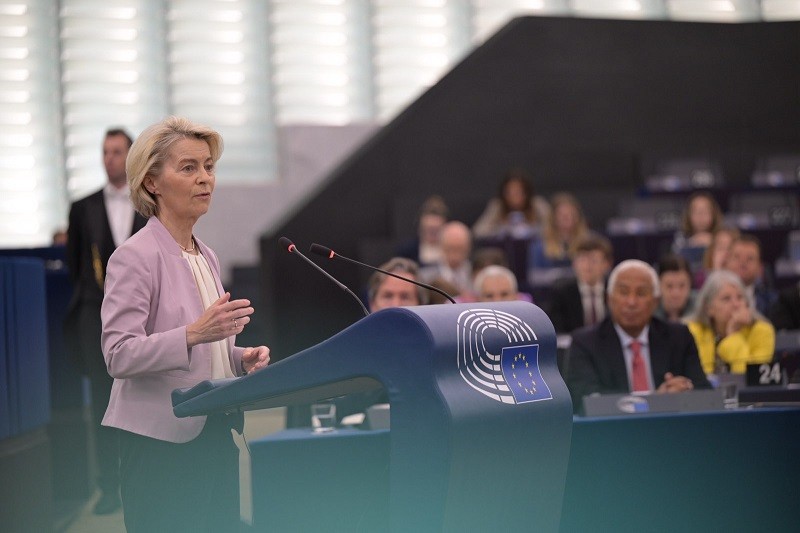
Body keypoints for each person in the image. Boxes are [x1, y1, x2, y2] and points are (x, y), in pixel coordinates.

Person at [100, 116, 270, 532]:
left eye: (209, 166)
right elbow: (118, 354)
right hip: (161, 443)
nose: (204, 178)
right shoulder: (133, 256)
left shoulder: (205, 254)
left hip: (215, 431)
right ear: (152, 182)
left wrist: (238, 357)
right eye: (188, 168)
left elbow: (204, 347)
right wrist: (195, 333)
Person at [63, 128, 147, 515]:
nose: (109, 158)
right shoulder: (82, 208)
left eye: (116, 151)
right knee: (101, 400)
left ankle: (144, 477)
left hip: (144, 316)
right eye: (105, 151)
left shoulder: (149, 201)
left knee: (144, 394)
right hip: (93, 318)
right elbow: (75, 265)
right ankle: (108, 487)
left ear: (130, 157)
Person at [565, 260, 710, 413]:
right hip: (612, 427)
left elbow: (705, 393)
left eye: (641, 293)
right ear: (609, 298)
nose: (631, 302)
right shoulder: (585, 343)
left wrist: (684, 389)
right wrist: (655, 400)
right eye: (623, 292)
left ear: (655, 301)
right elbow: (585, 401)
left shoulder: (679, 337)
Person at [685, 270, 775, 376]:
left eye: (740, 297)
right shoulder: (693, 331)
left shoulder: (762, 331)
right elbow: (699, 376)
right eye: (726, 299)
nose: (736, 304)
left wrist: (733, 335)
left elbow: (751, 378)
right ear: (708, 308)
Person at [546, 235, 613, 334]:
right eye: (582, 260)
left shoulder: (614, 290)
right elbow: (556, 330)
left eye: (593, 260)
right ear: (574, 263)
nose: (587, 266)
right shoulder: (561, 292)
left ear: (607, 264)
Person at [472, 167, 550, 239]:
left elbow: (552, 228)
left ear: (527, 193)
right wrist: (502, 230)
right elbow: (478, 231)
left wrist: (531, 229)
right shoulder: (497, 206)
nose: (514, 197)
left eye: (518, 192)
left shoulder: (537, 204)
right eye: (509, 193)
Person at [530, 192, 593, 268]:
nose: (567, 218)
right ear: (553, 218)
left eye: (571, 214)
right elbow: (535, 273)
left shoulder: (590, 242)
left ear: (578, 217)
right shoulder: (539, 245)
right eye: (562, 215)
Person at [724, 233, 778, 316]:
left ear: (760, 267)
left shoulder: (773, 301)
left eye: (750, 259)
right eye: (737, 257)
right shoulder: (712, 298)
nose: (742, 263)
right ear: (727, 262)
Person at [420, 221, 473, 297]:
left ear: (468, 248)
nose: (455, 255)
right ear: (441, 247)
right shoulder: (426, 278)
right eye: (450, 248)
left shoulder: (475, 276)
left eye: (460, 249)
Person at [396, 195, 449, 267]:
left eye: (436, 230)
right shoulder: (407, 250)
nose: (433, 234)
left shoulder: (452, 250)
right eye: (430, 230)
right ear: (421, 228)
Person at [654, 253, 695, 322]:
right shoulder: (649, 313)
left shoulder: (701, 310)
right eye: (669, 286)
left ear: (690, 285)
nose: (676, 293)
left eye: (682, 286)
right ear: (659, 286)